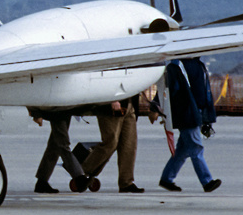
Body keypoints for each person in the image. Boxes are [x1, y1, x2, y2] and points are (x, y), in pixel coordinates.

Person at [81, 88, 159, 193]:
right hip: (110, 106)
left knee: (129, 145)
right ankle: (83, 172)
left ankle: (126, 182)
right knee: (110, 143)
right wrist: (112, 99)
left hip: (129, 104)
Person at [160, 58, 221, 192]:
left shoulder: (187, 65)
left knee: (183, 150)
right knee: (195, 148)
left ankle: (167, 178)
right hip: (188, 113)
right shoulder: (180, 66)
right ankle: (207, 181)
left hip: (193, 113)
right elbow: (171, 90)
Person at [32, 109, 96, 193]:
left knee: (54, 145)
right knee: (63, 144)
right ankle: (79, 179)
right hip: (56, 111)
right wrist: (36, 114)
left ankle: (42, 182)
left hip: (64, 111)